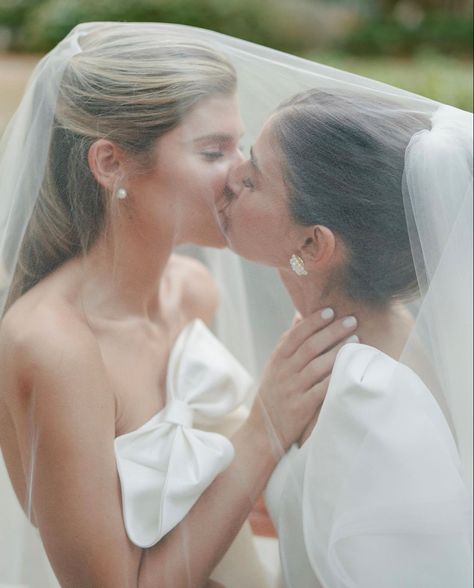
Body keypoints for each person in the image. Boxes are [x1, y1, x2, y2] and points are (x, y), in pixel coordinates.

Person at [0, 23, 357, 588]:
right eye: (213, 151)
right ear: (111, 164)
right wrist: (264, 426)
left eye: (239, 145)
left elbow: (217, 501)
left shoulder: (193, 290)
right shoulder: (55, 348)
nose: (241, 171)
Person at [221, 88, 473, 587]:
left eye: (253, 176)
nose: (230, 178)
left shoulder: (368, 396)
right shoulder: (337, 335)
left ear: (312, 244)